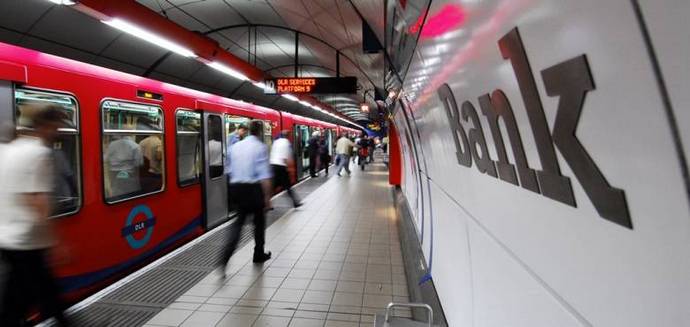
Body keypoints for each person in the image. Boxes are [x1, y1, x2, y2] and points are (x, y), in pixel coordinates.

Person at [0, 105, 71, 327]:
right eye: (57, 126)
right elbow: (36, 198)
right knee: (46, 291)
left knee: (23, 294)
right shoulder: (39, 152)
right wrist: (55, 242)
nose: (58, 131)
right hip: (27, 239)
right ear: (46, 126)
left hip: (6, 237)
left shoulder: (8, 148)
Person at [220, 121, 273, 276]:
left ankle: (224, 258)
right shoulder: (260, 147)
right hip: (253, 189)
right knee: (259, 223)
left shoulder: (235, 147)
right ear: (260, 132)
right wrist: (267, 198)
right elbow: (264, 176)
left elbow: (227, 170)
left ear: (249, 131)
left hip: (236, 188)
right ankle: (258, 254)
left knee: (238, 224)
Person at [104, 134, 143, 199]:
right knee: (127, 192)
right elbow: (139, 163)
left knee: (116, 190)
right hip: (128, 173)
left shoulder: (112, 144)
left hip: (113, 172)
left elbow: (105, 158)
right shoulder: (135, 146)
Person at [270, 130, 302, 207]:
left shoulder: (276, 142)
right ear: (287, 136)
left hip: (273, 166)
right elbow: (287, 158)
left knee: (274, 186)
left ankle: (265, 202)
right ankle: (295, 202)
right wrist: (290, 169)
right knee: (287, 186)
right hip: (281, 167)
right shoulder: (286, 143)